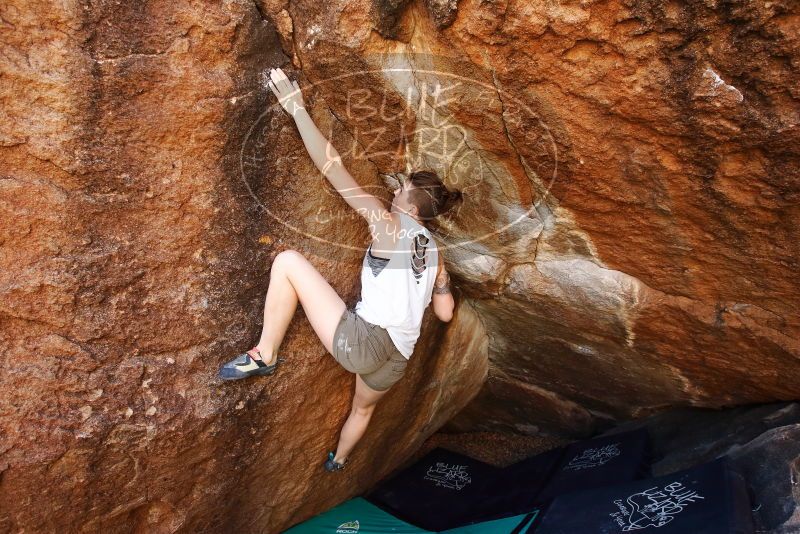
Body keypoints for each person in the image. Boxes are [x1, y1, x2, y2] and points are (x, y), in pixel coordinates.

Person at [218, 68, 462, 472]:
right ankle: (339, 461)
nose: (393, 192)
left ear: (412, 209)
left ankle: (265, 354)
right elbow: (445, 314)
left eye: (399, 191)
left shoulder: (388, 223)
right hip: (397, 357)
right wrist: (441, 279)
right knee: (362, 411)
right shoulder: (435, 252)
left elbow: (333, 169)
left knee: (287, 263)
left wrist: (297, 109)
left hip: (364, 344)